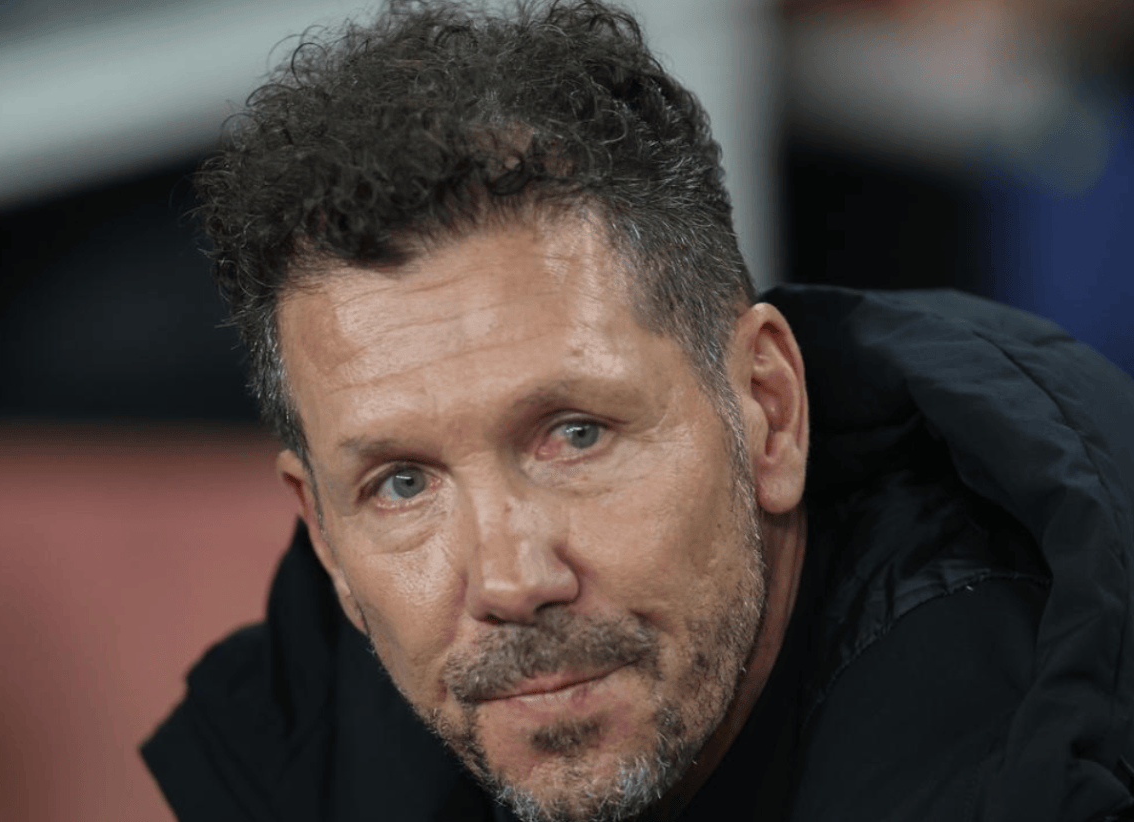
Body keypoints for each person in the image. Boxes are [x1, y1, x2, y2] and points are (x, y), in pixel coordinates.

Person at [140, 1, 1134, 820]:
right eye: (402, 484)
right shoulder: (332, 729)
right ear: (325, 535)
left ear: (768, 411)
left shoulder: (1002, 744)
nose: (510, 580)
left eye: (575, 435)